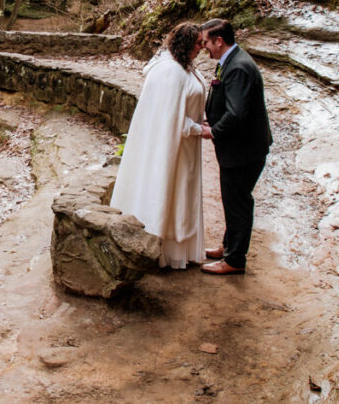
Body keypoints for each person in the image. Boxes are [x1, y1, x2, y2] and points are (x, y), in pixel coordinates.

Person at [110, 22, 207, 269]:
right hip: (172, 149)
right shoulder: (169, 72)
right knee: (169, 191)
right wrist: (200, 130)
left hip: (185, 149)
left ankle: (181, 246)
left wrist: (201, 120)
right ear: (186, 44)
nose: (202, 48)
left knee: (182, 192)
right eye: (198, 43)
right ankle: (163, 248)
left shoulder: (183, 67)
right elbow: (170, 119)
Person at [197, 18, 272, 275]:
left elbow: (237, 113)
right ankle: (229, 247)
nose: (204, 46)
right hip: (242, 149)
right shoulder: (232, 60)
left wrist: (213, 132)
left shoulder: (238, 67)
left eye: (206, 41)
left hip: (243, 152)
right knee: (232, 200)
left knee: (238, 202)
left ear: (219, 41)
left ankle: (235, 260)